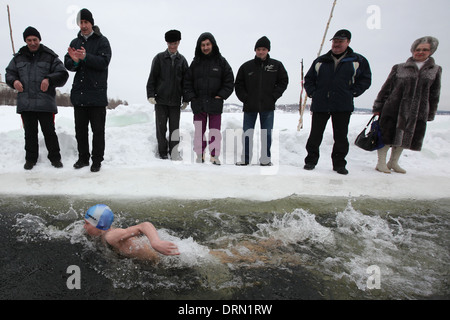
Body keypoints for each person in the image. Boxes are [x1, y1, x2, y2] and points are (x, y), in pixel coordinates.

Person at [303, 29, 372, 175]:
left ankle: (339, 164)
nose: (337, 44)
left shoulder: (357, 60)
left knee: (340, 136)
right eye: (335, 41)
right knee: (315, 135)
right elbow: (309, 79)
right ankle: (310, 161)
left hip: (342, 104)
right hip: (321, 104)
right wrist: (313, 92)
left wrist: (353, 92)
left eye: (340, 41)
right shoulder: (321, 60)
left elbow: (365, 80)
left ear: (348, 42)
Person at [372, 36, 442, 174]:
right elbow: (386, 88)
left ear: (431, 51)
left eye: (424, 50)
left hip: (417, 111)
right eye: (417, 49)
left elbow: (434, 94)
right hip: (394, 109)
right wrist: (378, 107)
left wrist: (430, 112)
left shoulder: (435, 70)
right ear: (412, 50)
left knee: (405, 137)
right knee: (387, 135)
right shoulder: (399, 68)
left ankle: (393, 162)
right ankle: (381, 163)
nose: (420, 52)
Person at [5, 27, 69, 170]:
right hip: (26, 103)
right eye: (29, 40)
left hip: (45, 103)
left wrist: (49, 79)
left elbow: (62, 73)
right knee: (29, 134)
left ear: (39, 40)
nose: (32, 43)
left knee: (49, 133)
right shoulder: (18, 58)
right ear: (26, 41)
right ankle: (30, 159)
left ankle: (55, 158)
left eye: (35, 40)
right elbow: (9, 74)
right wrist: (14, 81)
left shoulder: (50, 56)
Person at [65, 8, 112, 172]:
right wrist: (75, 61)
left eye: (86, 22)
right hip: (80, 95)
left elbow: (103, 62)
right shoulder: (75, 42)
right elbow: (68, 64)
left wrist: (86, 57)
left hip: (97, 95)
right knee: (80, 130)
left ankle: (97, 160)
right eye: (81, 22)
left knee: (98, 131)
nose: (83, 25)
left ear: (91, 23)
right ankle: (83, 158)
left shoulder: (102, 41)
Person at [235, 36, 289, 166]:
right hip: (250, 107)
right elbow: (238, 85)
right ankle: (246, 159)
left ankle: (265, 159)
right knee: (247, 134)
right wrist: (245, 98)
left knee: (267, 134)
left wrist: (274, 96)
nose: (260, 52)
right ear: (255, 50)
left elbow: (283, 81)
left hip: (267, 106)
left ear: (268, 50)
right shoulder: (246, 67)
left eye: (263, 49)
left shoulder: (276, 65)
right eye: (258, 49)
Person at [184, 32, 234, 165]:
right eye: (203, 45)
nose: (205, 47)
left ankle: (214, 156)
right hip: (198, 103)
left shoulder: (221, 62)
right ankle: (199, 155)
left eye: (207, 44)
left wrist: (221, 96)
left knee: (214, 131)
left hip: (215, 103)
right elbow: (187, 82)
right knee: (199, 131)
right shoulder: (195, 63)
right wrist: (192, 98)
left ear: (213, 45)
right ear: (199, 47)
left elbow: (229, 81)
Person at [147, 30, 189, 160]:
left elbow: (186, 82)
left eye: (175, 43)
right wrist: (150, 95)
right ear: (167, 43)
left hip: (175, 101)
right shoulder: (159, 58)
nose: (172, 46)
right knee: (161, 128)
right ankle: (162, 152)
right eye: (170, 43)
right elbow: (152, 78)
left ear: (179, 43)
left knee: (174, 129)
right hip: (160, 100)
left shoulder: (182, 61)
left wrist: (186, 99)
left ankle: (174, 152)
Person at [83, 204, 180, 260]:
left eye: (87, 223)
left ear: (99, 226)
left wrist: (156, 243)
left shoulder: (111, 236)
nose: (84, 226)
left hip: (162, 258)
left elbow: (144, 225)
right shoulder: (104, 231)